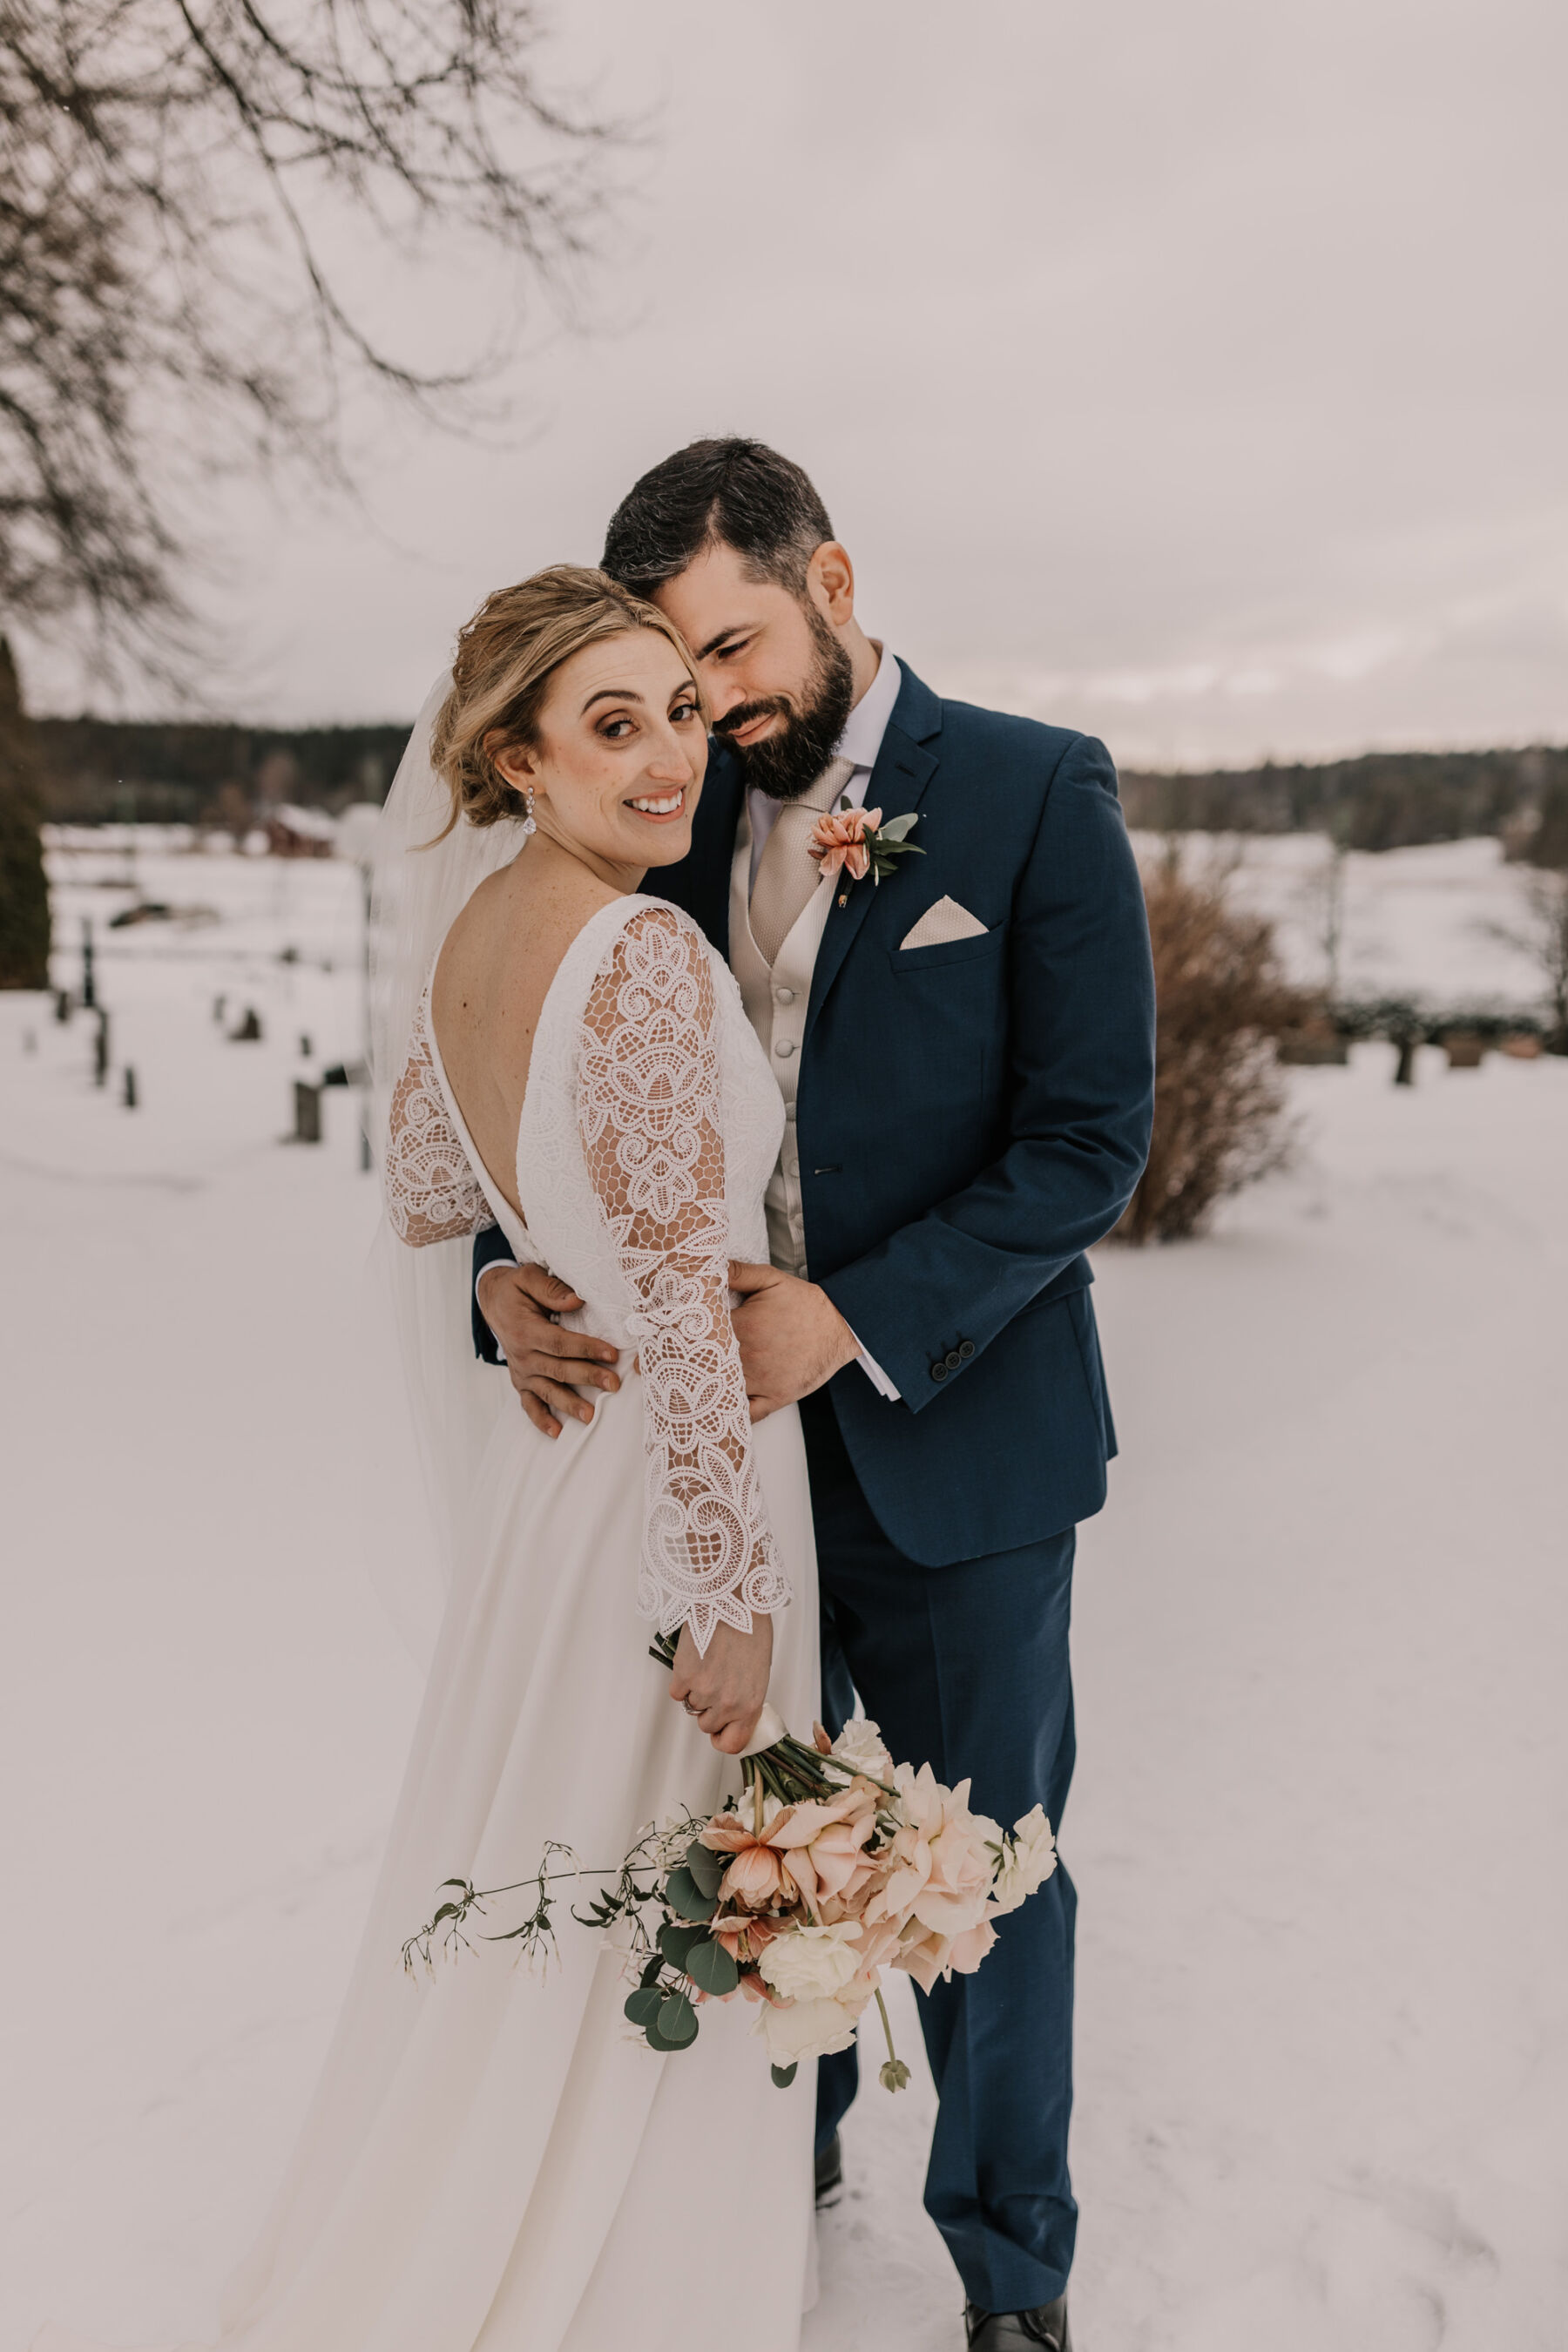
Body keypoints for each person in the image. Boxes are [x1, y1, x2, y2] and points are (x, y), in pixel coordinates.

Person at [35, 566, 821, 2352]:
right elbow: (690, 1303)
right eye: (610, 727)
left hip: (566, 1485)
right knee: (657, 1905)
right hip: (666, 1501)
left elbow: (431, 1195)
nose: (665, 762)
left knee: (559, 1882)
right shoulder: (637, 946)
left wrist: (530, 1286)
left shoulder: (479, 925)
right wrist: (727, 1588)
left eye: (679, 714)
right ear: (515, 757)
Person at [473, 442, 1158, 2352]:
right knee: (746, 1850)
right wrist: (502, 1277)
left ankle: (1013, 2273)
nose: (714, 709)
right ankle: (776, 2173)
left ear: (832, 576)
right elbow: (542, 1077)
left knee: (985, 1880)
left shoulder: (1030, 791)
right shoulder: (667, 809)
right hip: (714, 1471)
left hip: (963, 1455)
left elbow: (1090, 1142)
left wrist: (845, 1319)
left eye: (738, 649)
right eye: (677, 679)